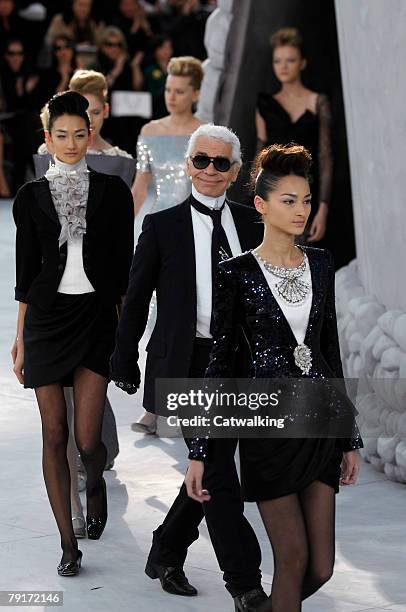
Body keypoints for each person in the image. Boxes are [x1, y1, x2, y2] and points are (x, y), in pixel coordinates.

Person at [186, 143, 363, 612]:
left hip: (319, 424)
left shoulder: (321, 263)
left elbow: (329, 351)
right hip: (267, 430)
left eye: (305, 200)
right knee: (292, 557)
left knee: (321, 567)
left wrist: (348, 435)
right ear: (261, 205)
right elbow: (219, 364)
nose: (300, 210)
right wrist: (200, 451)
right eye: (289, 200)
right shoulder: (236, 273)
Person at [110, 124, 268, 611]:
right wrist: (124, 355)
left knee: (212, 463)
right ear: (188, 162)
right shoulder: (162, 225)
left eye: (221, 163)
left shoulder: (252, 224)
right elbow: (136, 298)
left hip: (236, 363)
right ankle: (244, 583)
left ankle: (166, 548)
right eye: (202, 160)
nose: (209, 171)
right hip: (186, 360)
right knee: (220, 474)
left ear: (236, 171)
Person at [11, 91, 134, 576]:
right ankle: (68, 542)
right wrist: (19, 337)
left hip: (95, 318)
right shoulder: (30, 197)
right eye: (60, 135)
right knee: (53, 432)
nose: (70, 143)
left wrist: (125, 334)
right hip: (46, 321)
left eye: (78, 134)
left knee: (87, 439)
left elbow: (122, 270)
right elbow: (24, 274)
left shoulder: (112, 191)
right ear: (47, 139)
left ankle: (96, 481)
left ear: (90, 135)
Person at [131, 54, 203, 434]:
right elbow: (141, 187)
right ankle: (153, 408)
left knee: (193, 319)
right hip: (159, 230)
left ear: (195, 92)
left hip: (196, 232)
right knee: (156, 320)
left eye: (179, 91)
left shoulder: (205, 132)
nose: (171, 97)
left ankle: (187, 405)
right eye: (168, 90)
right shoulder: (150, 132)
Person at [256, 27, 332, 244]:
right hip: (274, 196)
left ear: (302, 63)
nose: (283, 66)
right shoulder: (264, 105)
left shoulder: (317, 102)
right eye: (278, 61)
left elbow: (325, 157)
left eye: (290, 60)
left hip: (309, 195)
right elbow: (259, 157)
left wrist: (323, 209)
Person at [91, 26, 143, 93]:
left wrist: (135, 66)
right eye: (110, 44)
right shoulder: (95, 65)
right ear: (102, 46)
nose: (115, 49)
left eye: (119, 45)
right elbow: (100, 89)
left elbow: (138, 88)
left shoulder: (126, 64)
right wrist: (117, 70)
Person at [143, 34, 173, 118]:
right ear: (155, 50)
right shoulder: (150, 70)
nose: (166, 51)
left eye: (169, 47)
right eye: (162, 48)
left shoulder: (175, 69)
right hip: (156, 111)